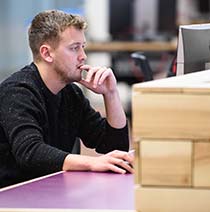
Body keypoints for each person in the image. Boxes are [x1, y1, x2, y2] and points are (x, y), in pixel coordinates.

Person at [0, 10, 134, 188]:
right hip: (13, 199)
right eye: (74, 48)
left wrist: (111, 94)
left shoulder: (71, 93)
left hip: (51, 193)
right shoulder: (17, 92)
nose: (83, 56)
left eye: (83, 46)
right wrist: (92, 162)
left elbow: (113, 147)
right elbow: (30, 152)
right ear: (47, 53)